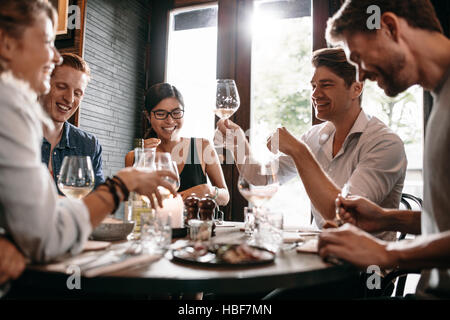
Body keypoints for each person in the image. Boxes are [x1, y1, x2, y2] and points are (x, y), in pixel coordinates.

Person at [0, 0, 177, 266]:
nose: (56, 55)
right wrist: (122, 184)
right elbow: (46, 234)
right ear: (7, 43)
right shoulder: (11, 111)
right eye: (48, 41)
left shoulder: (83, 141)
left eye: (78, 92)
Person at [317, 0, 450, 299]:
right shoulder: (439, 98)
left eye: (359, 58)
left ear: (388, 27)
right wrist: (387, 218)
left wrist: (389, 252)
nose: (360, 76)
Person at [217, 48, 407, 237]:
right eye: (313, 86)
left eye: (326, 85)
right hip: (321, 251)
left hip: (366, 262)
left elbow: (345, 217)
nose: (315, 94)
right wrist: (238, 144)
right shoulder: (313, 137)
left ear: (356, 88)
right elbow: (260, 178)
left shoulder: (385, 144)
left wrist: (298, 150)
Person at [125, 83, 230, 206]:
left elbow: (225, 197)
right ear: (148, 116)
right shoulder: (134, 157)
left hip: (197, 224)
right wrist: (142, 162)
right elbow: (134, 205)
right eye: (160, 113)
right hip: (155, 224)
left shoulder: (202, 147)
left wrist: (209, 190)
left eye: (176, 112)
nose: (169, 120)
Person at [40, 53, 104, 193]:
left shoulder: (89, 145)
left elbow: (97, 200)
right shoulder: (12, 134)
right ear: (43, 83)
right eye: (62, 87)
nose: (69, 99)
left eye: (77, 93)